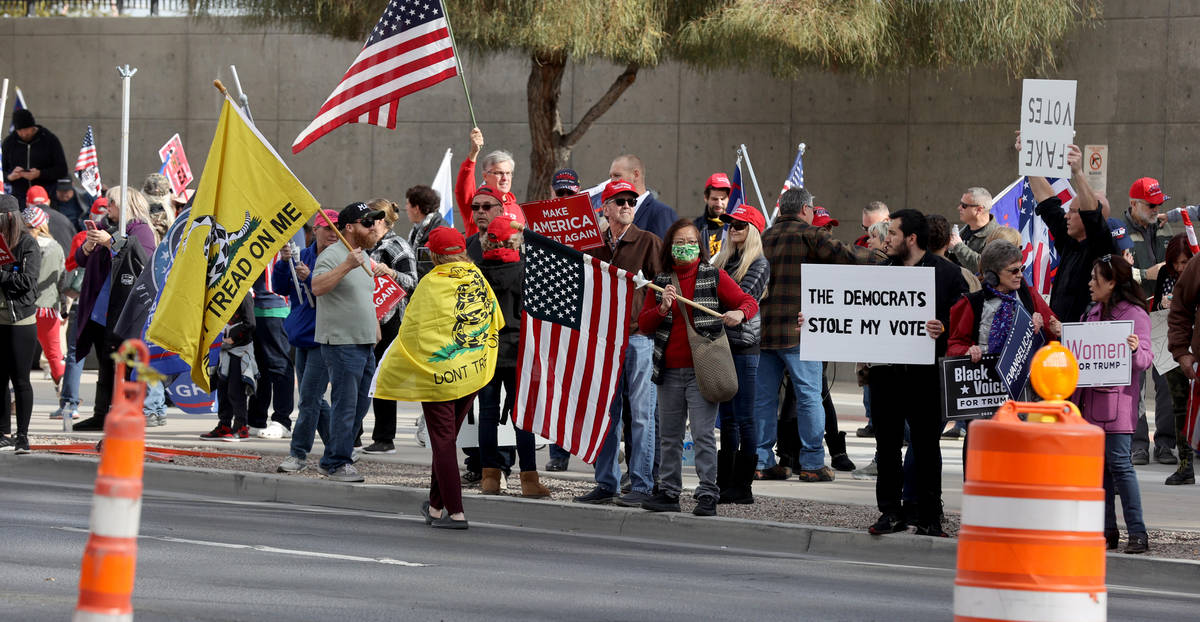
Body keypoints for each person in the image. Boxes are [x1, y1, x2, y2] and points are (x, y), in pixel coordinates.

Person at [637, 219, 758, 517]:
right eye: (679, 243)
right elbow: (644, 324)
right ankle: (669, 491)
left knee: (703, 434)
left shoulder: (713, 276)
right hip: (668, 370)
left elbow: (748, 301)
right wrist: (662, 308)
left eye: (691, 242)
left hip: (702, 370)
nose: (685, 247)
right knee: (669, 435)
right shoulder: (660, 281)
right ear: (669, 247)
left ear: (700, 246)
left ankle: (707, 493)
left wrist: (738, 313)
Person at [755, 188, 871, 482]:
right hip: (801, 331)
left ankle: (761, 460)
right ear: (806, 210)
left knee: (764, 400)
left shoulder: (764, 237)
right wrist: (883, 256)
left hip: (765, 330)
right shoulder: (810, 234)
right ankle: (812, 463)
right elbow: (847, 255)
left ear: (781, 209)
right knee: (809, 398)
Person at [864, 208, 968, 538]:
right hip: (887, 375)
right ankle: (890, 512)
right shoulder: (880, 273)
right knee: (888, 445)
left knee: (925, 446)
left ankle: (929, 515)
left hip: (926, 376)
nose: (886, 238)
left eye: (892, 233)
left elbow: (966, 325)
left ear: (911, 238)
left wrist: (945, 327)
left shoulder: (948, 275)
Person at [573, 180, 663, 506]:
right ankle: (606, 482)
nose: (627, 205)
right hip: (603, 342)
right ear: (605, 207)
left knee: (641, 415)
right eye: (620, 200)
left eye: (631, 200)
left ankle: (640, 484)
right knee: (606, 416)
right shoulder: (593, 245)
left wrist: (648, 320)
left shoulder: (650, 242)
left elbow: (666, 287)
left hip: (638, 339)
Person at [411, 226, 502, 529]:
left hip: (439, 374)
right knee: (446, 440)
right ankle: (436, 507)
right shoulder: (478, 278)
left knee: (443, 443)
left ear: (434, 254)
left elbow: (412, 329)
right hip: (471, 372)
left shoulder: (430, 283)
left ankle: (457, 512)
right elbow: (496, 320)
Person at [1073, 254, 1152, 554]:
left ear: (1112, 282)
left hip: (1117, 407)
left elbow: (1145, 359)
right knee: (1099, 471)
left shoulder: (1135, 315)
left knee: (1120, 466)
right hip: (1089, 405)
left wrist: (1133, 350)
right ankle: (1107, 532)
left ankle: (1138, 533)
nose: (1090, 283)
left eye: (1096, 278)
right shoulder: (1092, 312)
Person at [475, 215, 551, 498]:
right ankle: (529, 479)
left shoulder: (477, 272)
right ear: (515, 240)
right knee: (523, 417)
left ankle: (489, 477)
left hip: (488, 351)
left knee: (488, 415)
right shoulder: (526, 271)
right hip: (519, 351)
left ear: (486, 240)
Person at [70, 187, 158, 431]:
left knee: (128, 365)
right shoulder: (104, 226)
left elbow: (142, 260)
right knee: (105, 364)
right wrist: (88, 247)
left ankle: (128, 415)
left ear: (126, 204)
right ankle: (101, 414)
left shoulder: (140, 229)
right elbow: (80, 259)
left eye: (112, 203)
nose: (108, 207)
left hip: (125, 309)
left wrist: (112, 242)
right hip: (100, 308)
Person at [311, 202, 382, 483]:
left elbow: (363, 298)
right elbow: (317, 287)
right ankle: (339, 462)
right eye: (368, 222)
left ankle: (332, 457)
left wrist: (374, 326)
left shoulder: (363, 256)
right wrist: (346, 265)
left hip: (364, 343)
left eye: (375, 222)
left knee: (360, 406)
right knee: (346, 404)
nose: (374, 227)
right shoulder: (334, 255)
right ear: (350, 227)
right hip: (342, 344)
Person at [712, 204, 769, 503]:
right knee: (728, 418)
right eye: (730, 224)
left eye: (740, 225)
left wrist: (711, 280)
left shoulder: (759, 264)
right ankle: (725, 482)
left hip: (744, 348)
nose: (733, 228)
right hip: (722, 345)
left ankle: (743, 486)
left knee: (745, 417)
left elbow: (739, 297)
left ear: (753, 231)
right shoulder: (722, 260)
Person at [274, 209, 338, 473]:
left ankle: (298, 454)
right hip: (301, 335)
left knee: (309, 399)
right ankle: (340, 448)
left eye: (337, 229)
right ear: (316, 231)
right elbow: (281, 288)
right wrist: (282, 263)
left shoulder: (340, 259)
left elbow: (332, 292)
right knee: (314, 399)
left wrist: (309, 277)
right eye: (327, 228)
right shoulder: (305, 255)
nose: (333, 234)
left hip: (324, 336)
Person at [1118, 178, 1177, 466]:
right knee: (1135, 382)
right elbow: (1114, 270)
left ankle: (1165, 443)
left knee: (1166, 381)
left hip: (1164, 316)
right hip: (1134, 313)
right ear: (1134, 204)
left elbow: (1180, 265)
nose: (1157, 209)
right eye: (1151, 205)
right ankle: (1137, 444)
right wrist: (1145, 275)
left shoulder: (1165, 227)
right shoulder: (1119, 231)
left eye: (1159, 204)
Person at [360, 199, 418, 455]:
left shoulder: (397, 245)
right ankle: (353, 435)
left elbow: (413, 282)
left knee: (382, 379)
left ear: (381, 219)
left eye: (369, 217)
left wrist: (390, 273)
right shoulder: (367, 243)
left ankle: (384, 438)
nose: (365, 223)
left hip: (390, 319)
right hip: (366, 318)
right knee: (362, 378)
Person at [1035, 144, 1113, 323]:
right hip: (1060, 341)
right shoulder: (1071, 241)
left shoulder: (1102, 249)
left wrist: (1078, 172)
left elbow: (1092, 214)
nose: (1066, 215)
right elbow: (1048, 204)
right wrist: (1028, 162)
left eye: (1073, 211)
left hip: (1085, 343)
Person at [0, 194, 42, 453]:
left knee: (21, 380)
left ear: (10, 218)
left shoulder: (27, 244)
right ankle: (3, 431)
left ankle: (22, 435)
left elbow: (29, 282)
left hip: (20, 321)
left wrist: (3, 275)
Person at [1153, 234, 1194, 485]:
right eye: (1177, 263)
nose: (1181, 268)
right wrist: (1162, 303)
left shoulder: (1196, 273)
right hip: (1173, 349)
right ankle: (1185, 464)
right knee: (1178, 406)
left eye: (1185, 262)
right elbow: (1155, 306)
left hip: (1193, 345)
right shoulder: (1165, 275)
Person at [201, 294, 257, 441]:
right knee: (223, 389)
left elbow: (250, 323)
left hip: (239, 351)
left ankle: (241, 427)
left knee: (236, 390)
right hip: (223, 351)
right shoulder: (219, 293)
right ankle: (224, 424)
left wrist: (233, 338)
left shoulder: (244, 295)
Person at [23, 206, 65, 389]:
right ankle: (66, 399)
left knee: (19, 354)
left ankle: (16, 395)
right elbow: (62, 279)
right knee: (54, 354)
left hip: (24, 308)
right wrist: (63, 307)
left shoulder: (23, 246)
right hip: (48, 308)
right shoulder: (56, 247)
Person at [455, 127, 524, 236]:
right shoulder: (476, 204)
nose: (505, 178)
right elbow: (462, 189)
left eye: (508, 173)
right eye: (499, 173)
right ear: (485, 176)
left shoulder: (517, 208)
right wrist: (473, 153)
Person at [2, 109, 68, 208]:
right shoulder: (9, 142)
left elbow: (62, 170)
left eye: (26, 130)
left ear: (33, 126)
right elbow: (1, 170)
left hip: (46, 199)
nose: (24, 134)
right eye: (20, 131)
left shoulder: (49, 140)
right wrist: (9, 176)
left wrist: (40, 174)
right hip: (19, 200)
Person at [608, 154, 678, 239]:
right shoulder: (613, 213)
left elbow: (662, 250)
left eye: (617, 176)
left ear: (636, 175)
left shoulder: (661, 213)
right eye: (611, 177)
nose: (612, 182)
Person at [947, 187, 997, 273]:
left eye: (964, 205)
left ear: (979, 209)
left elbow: (985, 267)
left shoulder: (997, 236)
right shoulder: (963, 232)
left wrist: (959, 246)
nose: (959, 208)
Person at [929, 214, 982, 294]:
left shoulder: (908, 272)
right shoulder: (966, 276)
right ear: (949, 241)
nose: (959, 208)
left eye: (964, 205)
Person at [405, 184, 446, 279]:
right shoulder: (419, 229)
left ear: (416, 209)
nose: (406, 208)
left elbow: (428, 268)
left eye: (407, 204)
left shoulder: (439, 231)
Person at [25, 185, 74, 257]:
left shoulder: (24, 221)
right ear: (48, 202)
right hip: (66, 266)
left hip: (41, 266)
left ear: (27, 204)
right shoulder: (64, 219)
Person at [463, 185, 506, 262]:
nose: (480, 211)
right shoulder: (465, 246)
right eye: (475, 207)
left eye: (487, 206)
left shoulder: (512, 244)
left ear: (501, 211)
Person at [694, 173, 731, 257]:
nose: (719, 203)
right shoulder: (695, 227)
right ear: (705, 198)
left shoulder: (737, 227)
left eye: (723, 199)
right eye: (714, 199)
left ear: (729, 199)